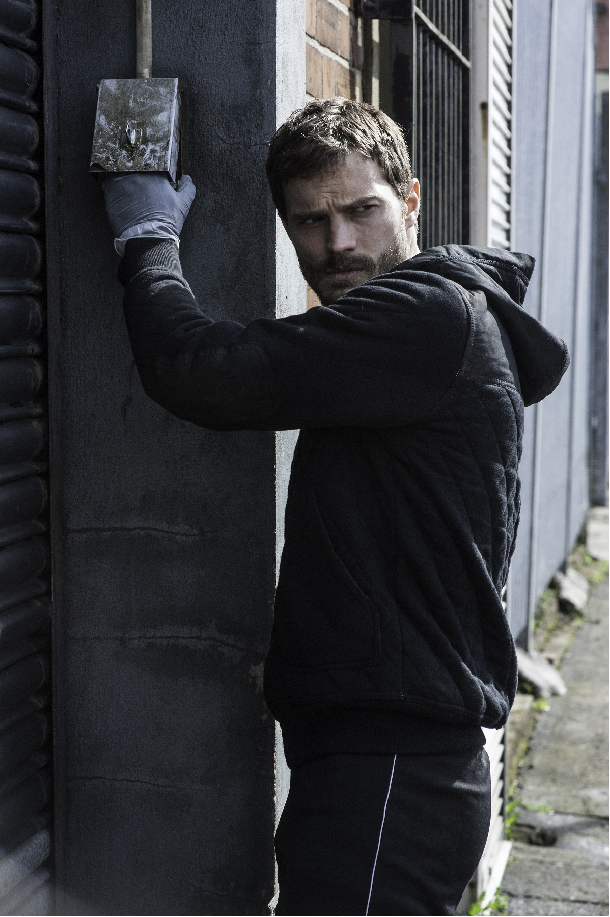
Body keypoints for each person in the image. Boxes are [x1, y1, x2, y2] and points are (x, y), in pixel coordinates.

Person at [103, 98, 569, 916]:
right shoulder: (415, 327)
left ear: (411, 200)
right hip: (385, 759)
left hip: (394, 765)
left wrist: (146, 237)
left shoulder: (424, 317)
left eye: (362, 210)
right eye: (310, 221)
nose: (339, 242)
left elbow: (197, 368)